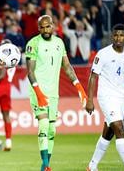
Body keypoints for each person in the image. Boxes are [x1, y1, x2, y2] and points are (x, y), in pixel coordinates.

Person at [25, 15, 87, 171]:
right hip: (37, 91)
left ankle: (45, 165)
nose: (46, 29)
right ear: (38, 28)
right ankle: (46, 165)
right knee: (44, 124)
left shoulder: (59, 43)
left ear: (53, 26)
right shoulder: (33, 44)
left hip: (53, 93)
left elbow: (67, 66)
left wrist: (79, 86)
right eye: (42, 27)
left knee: (52, 130)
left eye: (48, 26)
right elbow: (30, 72)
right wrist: (38, 92)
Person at [85, 23, 124, 171]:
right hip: (106, 96)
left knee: (108, 132)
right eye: (116, 35)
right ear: (112, 36)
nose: (118, 38)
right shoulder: (103, 54)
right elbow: (93, 77)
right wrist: (90, 100)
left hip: (120, 98)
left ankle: (92, 166)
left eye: (121, 35)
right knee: (119, 128)